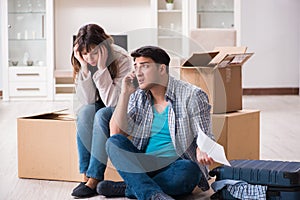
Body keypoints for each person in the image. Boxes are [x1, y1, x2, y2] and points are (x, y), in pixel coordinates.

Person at [97, 46, 215, 200]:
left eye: (144, 66)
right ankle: (153, 195)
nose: (138, 72)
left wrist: (202, 148)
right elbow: (116, 133)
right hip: (145, 164)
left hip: (177, 165)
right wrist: (125, 94)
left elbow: (205, 134)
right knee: (113, 143)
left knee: (189, 171)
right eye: (136, 66)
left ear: (161, 69)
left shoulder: (192, 95)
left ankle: (129, 187)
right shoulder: (138, 95)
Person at [70, 23, 132, 198]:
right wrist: (83, 67)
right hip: (99, 103)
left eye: (94, 52)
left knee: (101, 115)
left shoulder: (121, 58)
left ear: (103, 48)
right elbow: (88, 100)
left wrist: (103, 68)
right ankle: (85, 174)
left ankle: (95, 178)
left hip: (122, 106)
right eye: (84, 53)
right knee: (84, 113)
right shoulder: (82, 60)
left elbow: (113, 102)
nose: (89, 57)